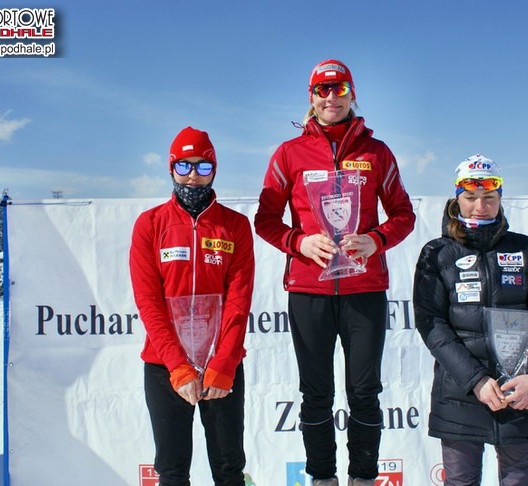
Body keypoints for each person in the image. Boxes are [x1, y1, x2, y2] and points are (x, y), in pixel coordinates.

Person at [254, 59, 416, 486]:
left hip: (364, 289)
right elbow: (265, 220)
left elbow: (403, 214)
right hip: (309, 290)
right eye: (322, 90)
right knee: (316, 393)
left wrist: (376, 240)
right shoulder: (289, 153)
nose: (331, 97)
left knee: (364, 391)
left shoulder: (376, 152)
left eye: (339, 88)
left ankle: (363, 477)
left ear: (352, 93)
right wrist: (300, 243)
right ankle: (323, 478)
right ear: (311, 97)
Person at [412, 154, 528, 486]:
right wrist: (476, 380)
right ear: (457, 200)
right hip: (461, 394)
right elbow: (432, 325)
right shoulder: (437, 253)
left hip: (519, 393)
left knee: (521, 482)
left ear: (500, 198)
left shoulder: (525, 249)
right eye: (471, 197)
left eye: (489, 197)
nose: (480, 206)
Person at [129, 127, 255, 486]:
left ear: (215, 170)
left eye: (203, 166)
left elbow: (239, 301)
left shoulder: (235, 226)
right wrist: (178, 367)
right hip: (165, 365)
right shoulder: (150, 224)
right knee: (172, 471)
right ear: (171, 168)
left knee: (229, 469)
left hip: (221, 365)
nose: (193, 175)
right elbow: (149, 303)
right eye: (184, 166)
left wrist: (224, 363)